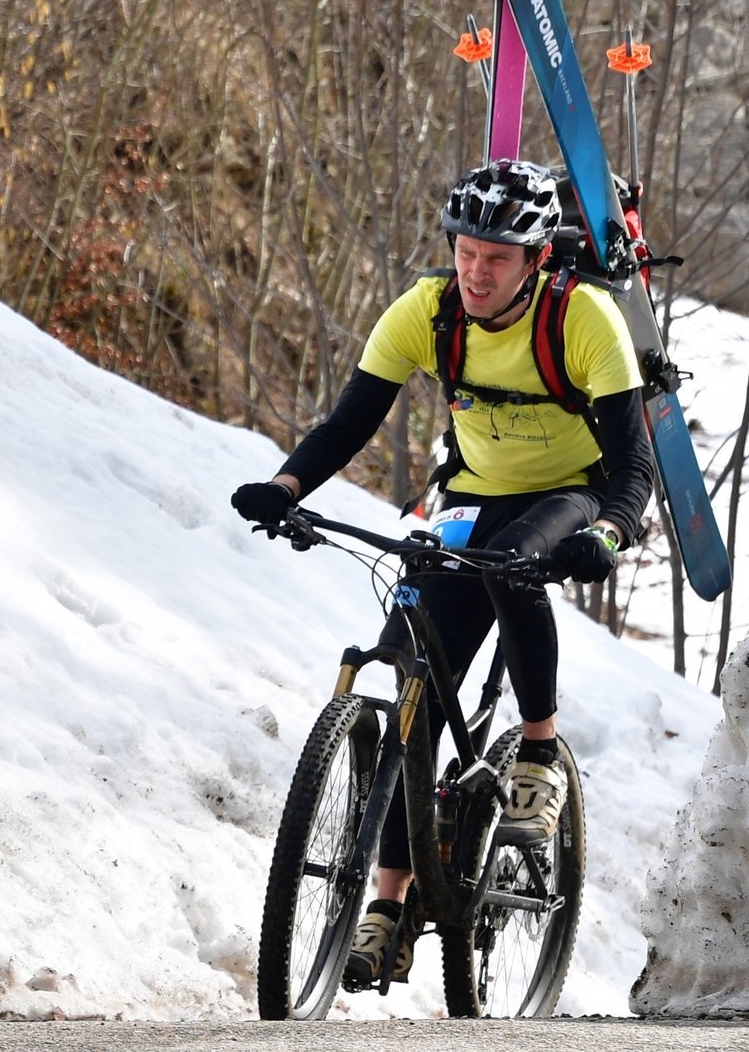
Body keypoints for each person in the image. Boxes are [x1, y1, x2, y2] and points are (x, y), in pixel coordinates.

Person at [229, 160, 654, 989]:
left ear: (536, 258)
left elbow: (633, 468)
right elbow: (349, 420)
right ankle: (389, 907)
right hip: (468, 492)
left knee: (518, 565)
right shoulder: (428, 310)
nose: (476, 267)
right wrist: (284, 488)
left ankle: (537, 757)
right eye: (465, 248)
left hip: (568, 491)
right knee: (408, 672)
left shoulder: (584, 318)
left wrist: (609, 528)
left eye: (497, 255)